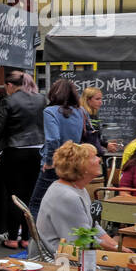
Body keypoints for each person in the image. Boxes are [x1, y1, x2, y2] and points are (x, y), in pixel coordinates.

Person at [0, 70, 46, 249]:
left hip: (15, 151)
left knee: (14, 195)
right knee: (30, 195)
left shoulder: (9, 101)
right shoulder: (41, 99)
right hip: (37, 150)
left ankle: (12, 237)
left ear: (10, 85)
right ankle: (27, 237)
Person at [35, 141, 119, 253]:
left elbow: (93, 227)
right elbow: (82, 239)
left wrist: (117, 246)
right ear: (80, 165)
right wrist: (117, 250)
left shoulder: (79, 189)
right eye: (94, 157)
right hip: (59, 259)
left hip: (73, 252)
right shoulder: (67, 196)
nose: (99, 159)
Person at [29, 79, 84, 217]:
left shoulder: (50, 111)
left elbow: (53, 139)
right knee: (64, 203)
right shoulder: (81, 111)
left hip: (55, 164)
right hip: (73, 163)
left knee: (36, 203)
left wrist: (49, 162)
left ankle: (38, 237)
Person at [79, 86, 120, 156]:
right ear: (87, 100)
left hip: (94, 152)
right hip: (85, 154)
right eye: (97, 99)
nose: (101, 102)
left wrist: (106, 144)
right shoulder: (81, 115)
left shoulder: (93, 114)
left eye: (101, 99)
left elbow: (94, 136)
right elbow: (86, 136)